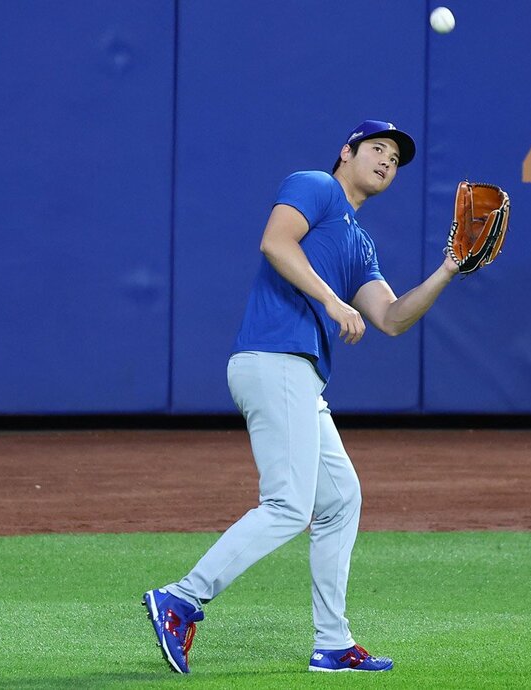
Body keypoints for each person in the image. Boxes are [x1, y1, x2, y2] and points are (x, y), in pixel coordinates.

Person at [142, 120, 460, 674]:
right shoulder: (315, 184)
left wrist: (449, 268)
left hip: (299, 374)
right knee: (289, 505)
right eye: (378, 149)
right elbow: (275, 242)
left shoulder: (359, 242)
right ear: (347, 152)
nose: (387, 160)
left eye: (396, 158)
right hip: (272, 358)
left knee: (340, 500)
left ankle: (333, 642)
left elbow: (391, 317)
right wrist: (334, 303)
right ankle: (183, 598)